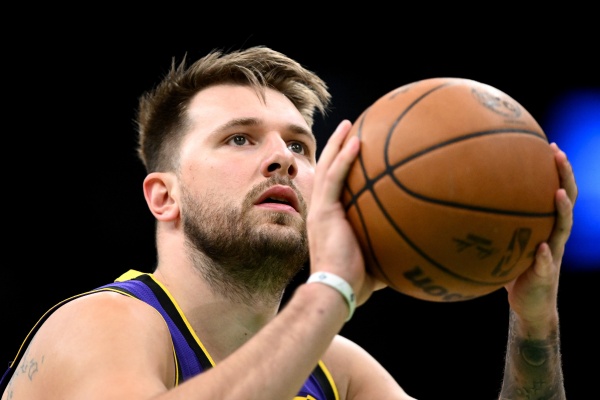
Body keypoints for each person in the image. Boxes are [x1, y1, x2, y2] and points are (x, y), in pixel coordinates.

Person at [1, 45, 577, 400]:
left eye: (300, 146)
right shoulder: (104, 323)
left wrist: (534, 324)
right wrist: (331, 291)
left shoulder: (336, 371)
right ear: (164, 196)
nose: (283, 158)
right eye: (239, 138)